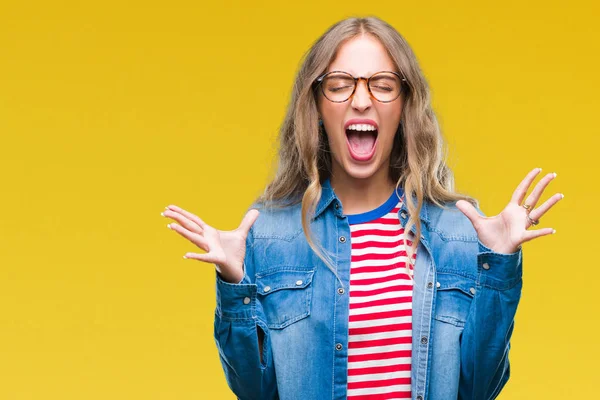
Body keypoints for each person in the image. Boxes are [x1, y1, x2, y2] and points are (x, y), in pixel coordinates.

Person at [162, 16, 562, 400]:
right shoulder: (271, 235)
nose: (361, 100)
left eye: (383, 84)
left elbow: (479, 390)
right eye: (339, 84)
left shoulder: (457, 233)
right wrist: (235, 285)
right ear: (317, 107)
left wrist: (499, 264)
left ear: (405, 106)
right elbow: (254, 392)